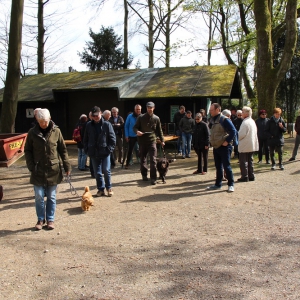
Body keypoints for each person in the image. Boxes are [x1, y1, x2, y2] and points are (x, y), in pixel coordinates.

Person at [24, 108, 71, 230]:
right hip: (37, 170)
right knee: (39, 195)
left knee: (51, 196)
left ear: (49, 119)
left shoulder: (57, 131)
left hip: (53, 169)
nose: (43, 125)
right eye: (41, 123)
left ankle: (50, 219)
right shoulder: (32, 133)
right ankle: (40, 219)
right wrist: (30, 166)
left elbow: (63, 150)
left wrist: (67, 166)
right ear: (37, 120)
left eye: (45, 122)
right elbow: (27, 150)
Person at [84, 106, 116, 197]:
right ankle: (100, 189)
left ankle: (109, 188)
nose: (95, 117)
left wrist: (109, 149)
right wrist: (87, 149)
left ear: (100, 113)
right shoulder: (88, 125)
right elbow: (85, 139)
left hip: (105, 151)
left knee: (106, 170)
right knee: (97, 172)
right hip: (93, 152)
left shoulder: (107, 124)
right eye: (93, 116)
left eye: (97, 115)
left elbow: (112, 139)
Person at [207, 103, 237, 192]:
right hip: (216, 146)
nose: (210, 112)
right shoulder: (212, 120)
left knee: (226, 166)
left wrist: (227, 141)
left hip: (225, 147)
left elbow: (233, 131)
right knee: (218, 166)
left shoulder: (224, 119)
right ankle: (218, 184)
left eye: (211, 110)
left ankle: (231, 184)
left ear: (217, 110)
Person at [133, 101, 165, 185]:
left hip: (152, 141)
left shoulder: (156, 118)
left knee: (153, 160)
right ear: (146, 108)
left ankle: (153, 178)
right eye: (148, 107)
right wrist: (137, 132)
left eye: (151, 108)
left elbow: (159, 130)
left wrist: (162, 140)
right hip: (142, 141)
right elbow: (135, 127)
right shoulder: (141, 117)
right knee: (143, 159)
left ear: (153, 108)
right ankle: (144, 175)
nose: (149, 109)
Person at [237, 106, 259, 182]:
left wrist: (236, 138)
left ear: (246, 113)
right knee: (250, 160)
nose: (241, 113)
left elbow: (241, 134)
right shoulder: (252, 121)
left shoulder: (245, 122)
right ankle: (251, 175)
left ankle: (245, 176)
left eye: (243, 112)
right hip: (251, 143)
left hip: (245, 144)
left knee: (243, 161)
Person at [124, 104, 142, 169]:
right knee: (130, 150)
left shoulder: (142, 116)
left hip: (140, 135)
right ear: (134, 110)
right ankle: (127, 163)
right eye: (137, 109)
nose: (138, 111)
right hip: (131, 136)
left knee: (141, 150)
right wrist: (126, 135)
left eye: (139, 109)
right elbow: (126, 126)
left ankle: (142, 163)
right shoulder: (130, 116)